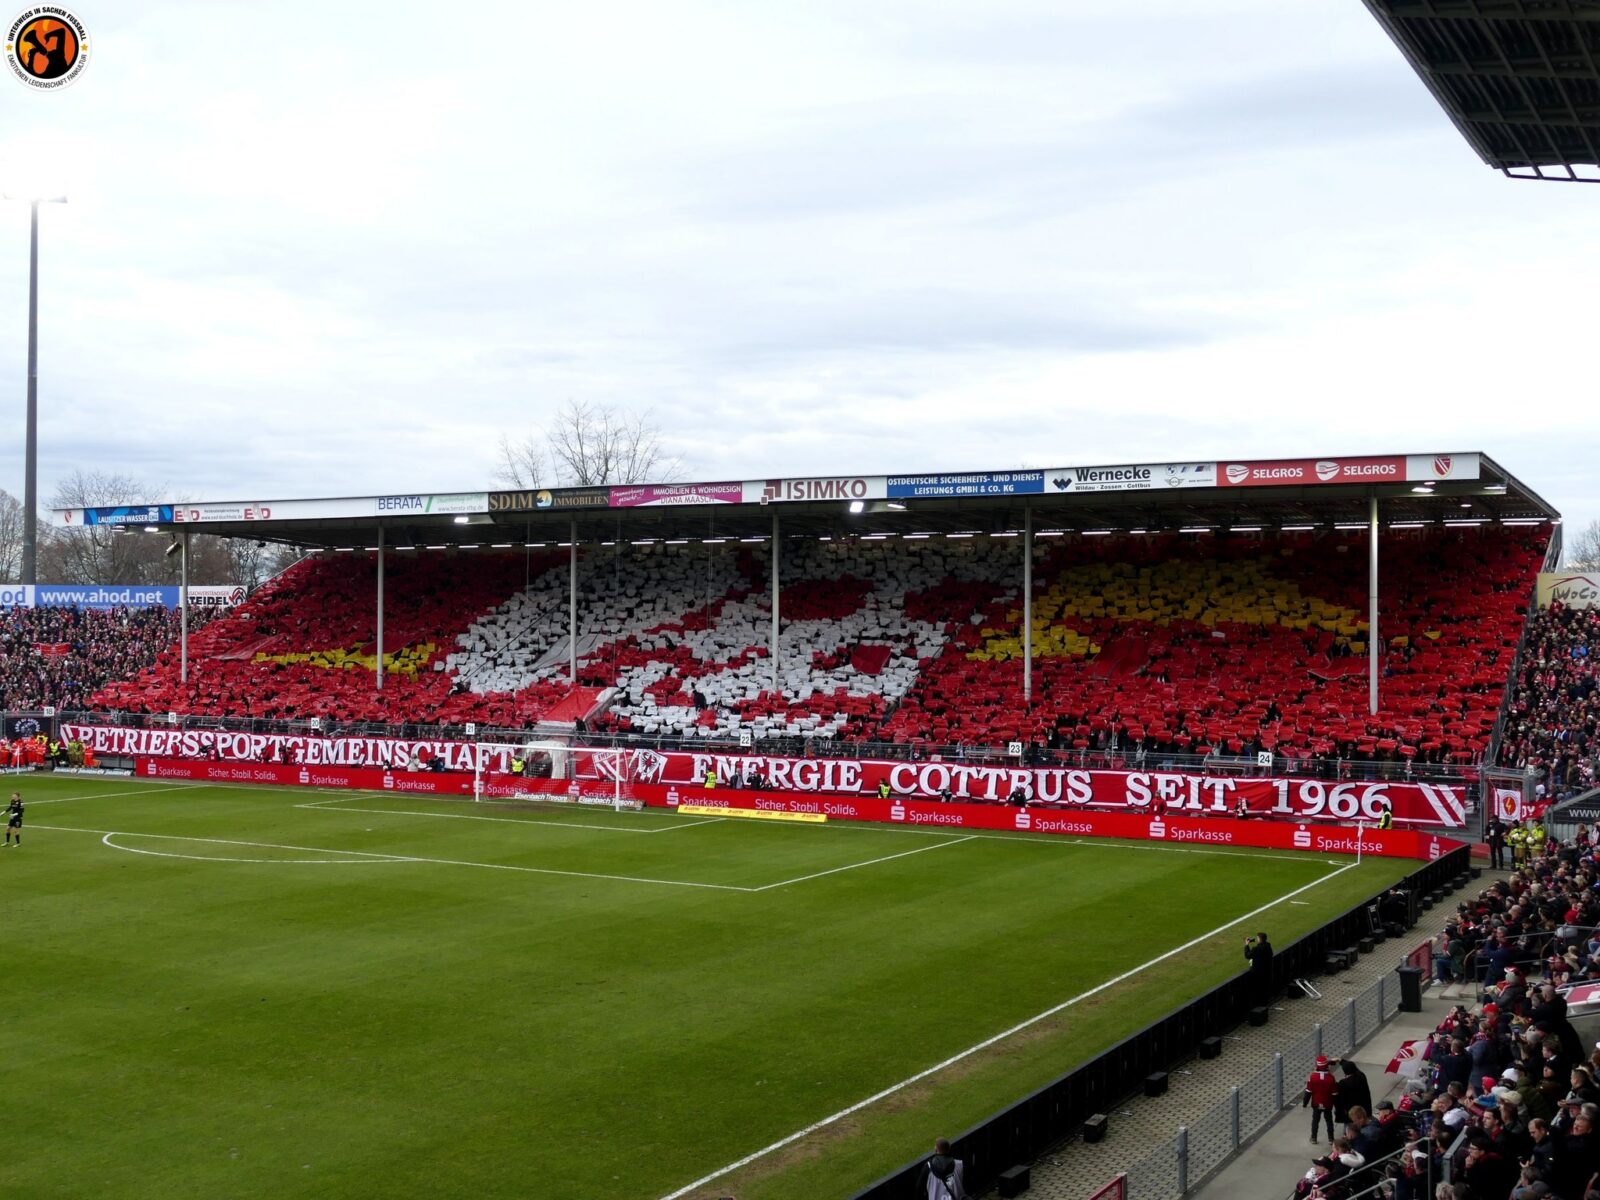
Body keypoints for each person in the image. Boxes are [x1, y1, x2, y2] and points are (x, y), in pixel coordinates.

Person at [1304, 1055, 1338, 1143]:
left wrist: (1305, 1103)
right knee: (1329, 1121)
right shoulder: (1331, 1077)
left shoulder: (1312, 1077)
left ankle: (1313, 1138)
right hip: (1327, 1103)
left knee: (1315, 1121)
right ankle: (1331, 1138)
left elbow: (1308, 1092)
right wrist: (1337, 1105)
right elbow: (1334, 1093)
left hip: (1316, 1102)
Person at [1245, 931, 1274, 1008]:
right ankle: (1264, 1004)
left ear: (1259, 939)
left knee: (1258, 990)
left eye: (1257, 938)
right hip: (1267, 972)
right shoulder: (1268, 946)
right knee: (1265, 989)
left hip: (1258, 973)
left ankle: (1259, 1006)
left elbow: (1247, 955)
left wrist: (1247, 945)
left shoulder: (1256, 949)